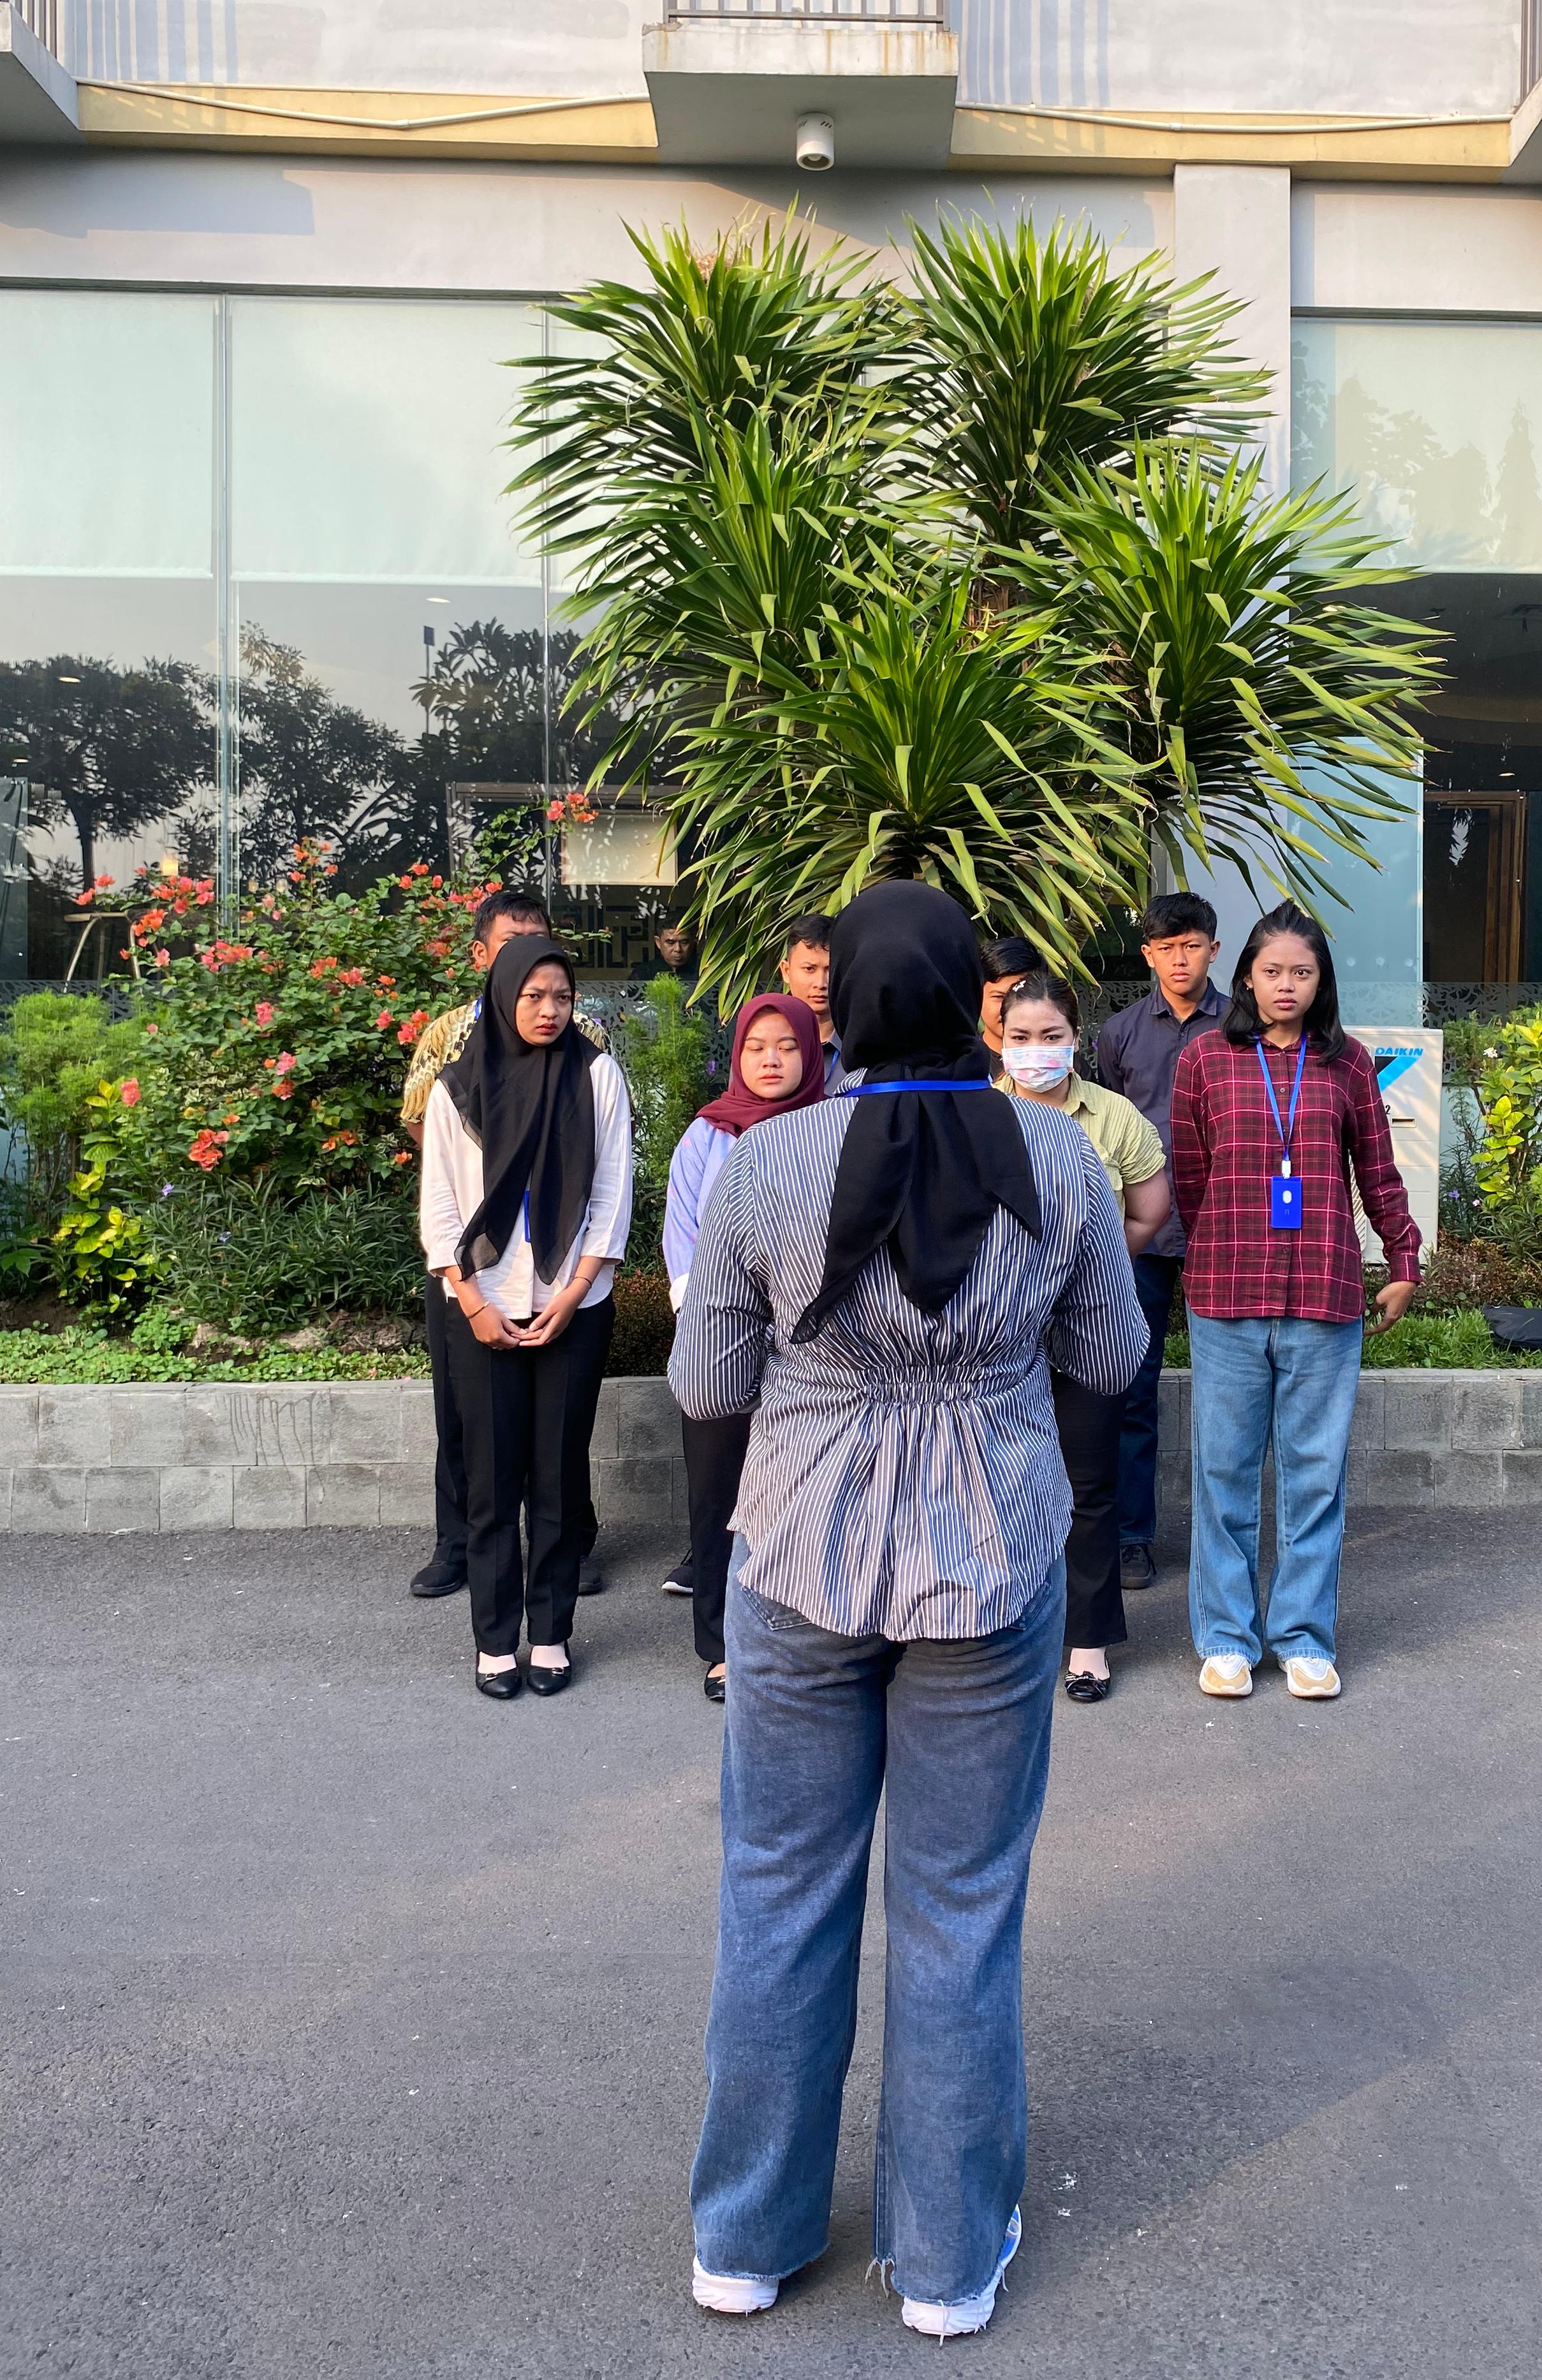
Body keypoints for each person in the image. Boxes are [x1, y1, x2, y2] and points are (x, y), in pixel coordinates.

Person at [672, 882, 1145, 2339]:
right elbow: (1113, 1357)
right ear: (973, 1003)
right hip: (990, 1552)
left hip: (795, 1550)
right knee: (959, 1903)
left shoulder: (766, 1157)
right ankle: (944, 2262)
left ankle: (745, 2238)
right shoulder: (1057, 1154)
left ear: (846, 1008)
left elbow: (706, 1383)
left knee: (777, 1885)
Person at [1169, 903, 1418, 1704]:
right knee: (1224, 1473)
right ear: (1246, 976)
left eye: (1302, 973)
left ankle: (1305, 1638)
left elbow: (1377, 1172)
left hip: (1323, 1292)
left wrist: (1402, 1258)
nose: (1286, 985)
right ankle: (1227, 1639)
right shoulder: (1205, 1059)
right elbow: (1190, 1177)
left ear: (1321, 982)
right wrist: (1219, 1245)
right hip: (1227, 1295)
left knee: (1315, 1476)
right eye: (1272, 971)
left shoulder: (1348, 1064)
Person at [419, 935, 633, 1700]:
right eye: (534, 995)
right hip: (482, 1308)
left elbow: (611, 1191)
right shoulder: (456, 1088)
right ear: (504, 994)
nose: (549, 1010)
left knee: (557, 1478)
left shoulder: (597, 1075)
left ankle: (550, 1633)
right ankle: (493, 1640)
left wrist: (574, 1292)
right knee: (490, 1479)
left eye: (563, 997)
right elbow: (440, 1208)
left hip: (575, 1307)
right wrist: (473, 1301)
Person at [400, 888, 612, 1604]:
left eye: (539, 939)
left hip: (559, 1257)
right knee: (464, 1413)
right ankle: (458, 1542)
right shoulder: (449, 1037)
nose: (547, 1004)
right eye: (512, 943)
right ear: (482, 955)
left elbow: (603, 1145)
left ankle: (566, 1545)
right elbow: (426, 1128)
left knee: (559, 1428)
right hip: (469, 1254)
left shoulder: (588, 1039)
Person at [995, 972, 1170, 1705]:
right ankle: (999, 1630)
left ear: (1076, 1040)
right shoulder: (979, 1112)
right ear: (998, 1041)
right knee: (998, 1481)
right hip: (998, 1333)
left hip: (1091, 1326)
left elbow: (1150, 1208)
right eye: (1020, 1037)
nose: (1035, 1049)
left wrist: (1099, 1268)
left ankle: (1088, 1641)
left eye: (1051, 1036)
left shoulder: (1114, 1115)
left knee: (1088, 1484)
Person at [662, 993, 825, 1702]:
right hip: (719, 1339)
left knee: (803, 1495)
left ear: (812, 1054)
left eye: (787, 1047)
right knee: (718, 1493)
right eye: (757, 1046)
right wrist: (708, 1319)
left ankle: (806, 1635)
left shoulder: (831, 1127)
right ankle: (722, 1646)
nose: (771, 1059)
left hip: (813, 1348)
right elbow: (681, 1234)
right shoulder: (707, 1135)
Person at [1090, 892, 1226, 1592]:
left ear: (1214, 950)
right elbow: (1108, 1127)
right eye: (1166, 948)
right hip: (1141, 1234)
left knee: (1228, 1392)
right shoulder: (1118, 1034)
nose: (1180, 959)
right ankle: (1131, 1537)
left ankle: (1222, 1545)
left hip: (1222, 1229)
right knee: (1133, 1386)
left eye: (1192, 945)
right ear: (1147, 954)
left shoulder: (1243, 1026)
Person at [776, 912, 846, 1090]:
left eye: (830, 970)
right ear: (786, 971)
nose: (820, 983)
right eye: (809, 969)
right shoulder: (762, 1044)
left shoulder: (861, 1048)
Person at [978, 931, 1044, 1056]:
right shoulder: (961, 1064)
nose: (1009, 1008)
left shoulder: (1066, 1063)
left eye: (1022, 996)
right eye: (999, 997)